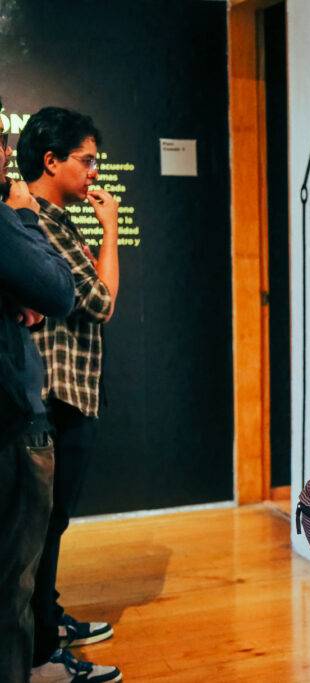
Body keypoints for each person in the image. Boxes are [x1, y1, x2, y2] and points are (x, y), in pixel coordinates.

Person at [17, 107, 122, 682]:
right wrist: (111, 229)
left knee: (49, 522)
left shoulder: (51, 218)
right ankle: (42, 649)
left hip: (62, 390)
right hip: (57, 393)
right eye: (85, 160)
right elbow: (103, 303)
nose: (93, 173)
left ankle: (48, 620)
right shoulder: (46, 223)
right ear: (51, 159)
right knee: (45, 523)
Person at [0, 95, 76, 683]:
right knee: (11, 587)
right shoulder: (18, 216)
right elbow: (76, 295)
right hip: (11, 418)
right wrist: (23, 215)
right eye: (86, 158)